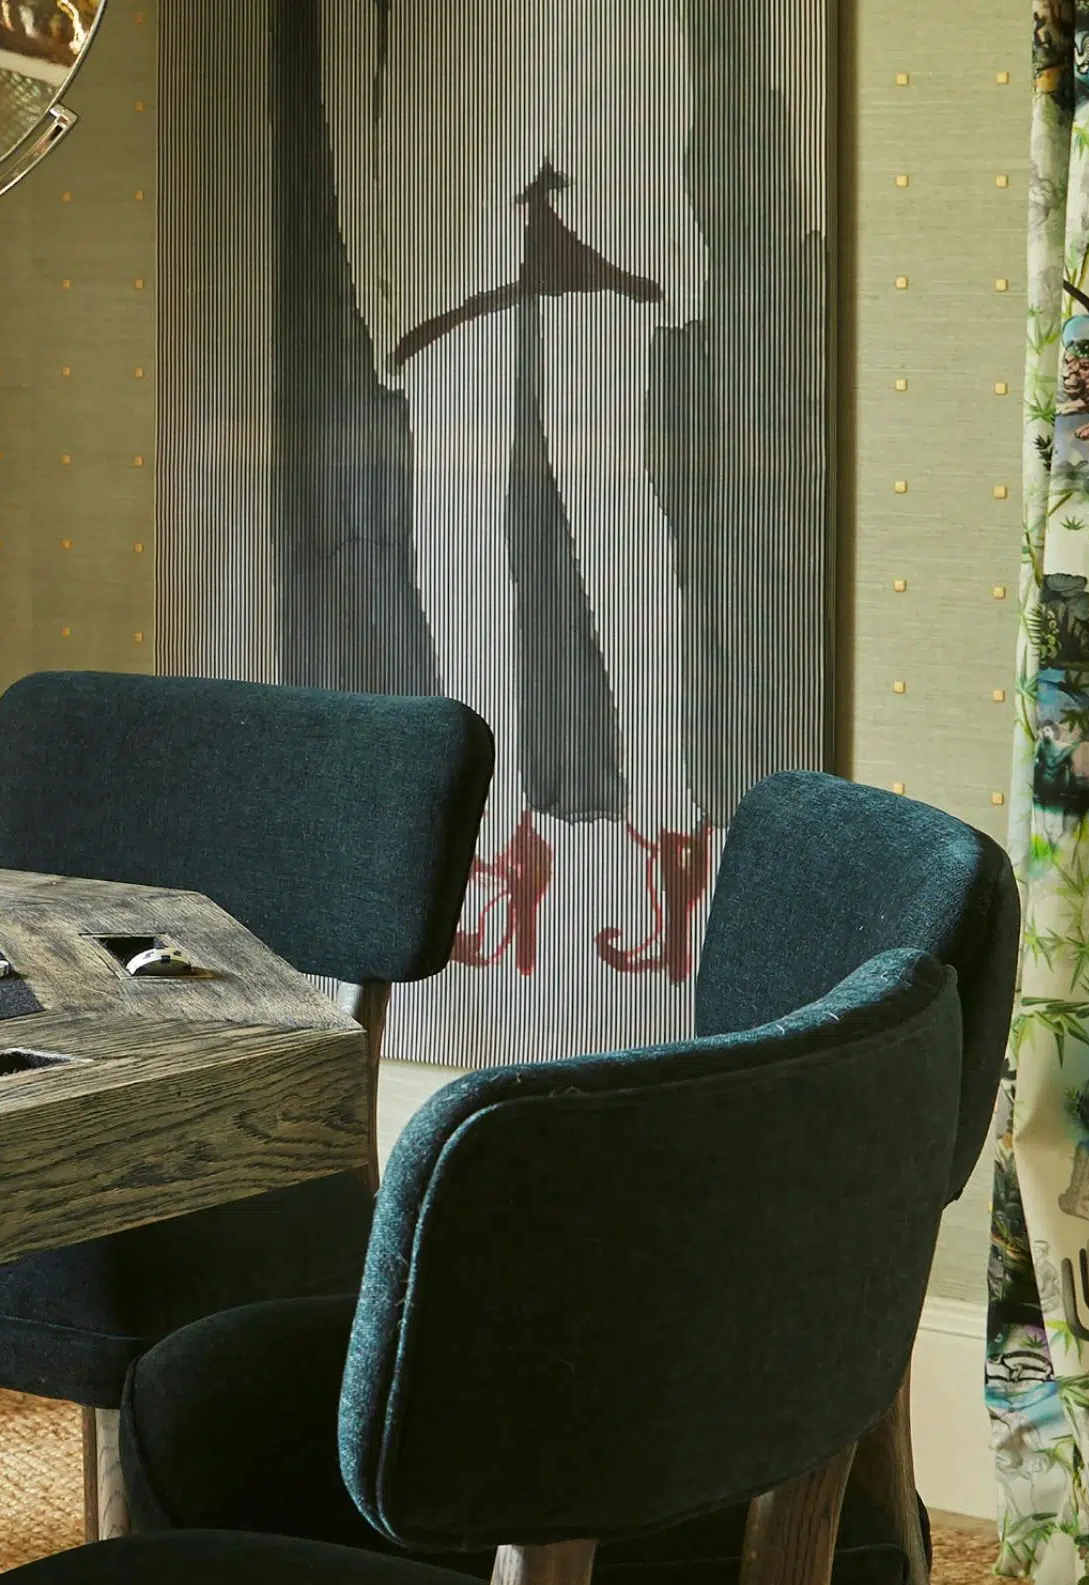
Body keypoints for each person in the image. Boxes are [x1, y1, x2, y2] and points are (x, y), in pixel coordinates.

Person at [324, 0, 714, 984]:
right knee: (460, 545)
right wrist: (379, 264)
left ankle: (664, 831)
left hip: (601, 177)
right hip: (443, 203)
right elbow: (352, 55)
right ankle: (492, 845)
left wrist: (666, 220)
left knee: (615, 524)